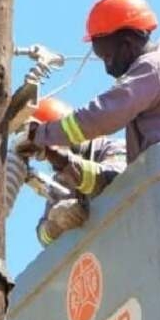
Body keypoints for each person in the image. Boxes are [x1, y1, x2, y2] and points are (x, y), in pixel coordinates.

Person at [16, 0, 160, 167]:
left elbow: (103, 116)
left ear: (127, 43)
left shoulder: (155, 66)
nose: (108, 68)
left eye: (107, 56)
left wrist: (41, 135)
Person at [23, 98, 127, 246]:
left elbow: (112, 179)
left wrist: (64, 161)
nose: (52, 155)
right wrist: (54, 225)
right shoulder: (60, 181)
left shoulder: (114, 148)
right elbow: (43, 238)